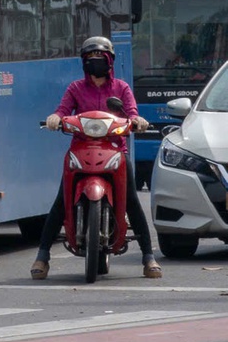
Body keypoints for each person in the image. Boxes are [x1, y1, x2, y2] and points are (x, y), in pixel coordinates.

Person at [30, 36, 159, 279]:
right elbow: (62, 110)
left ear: (109, 61)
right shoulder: (75, 88)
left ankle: (148, 257)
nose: (95, 63)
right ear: (83, 63)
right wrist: (55, 118)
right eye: (89, 59)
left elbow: (132, 113)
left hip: (114, 151)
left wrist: (137, 121)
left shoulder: (121, 88)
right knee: (61, 201)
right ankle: (42, 256)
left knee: (131, 199)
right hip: (80, 150)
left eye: (100, 58)